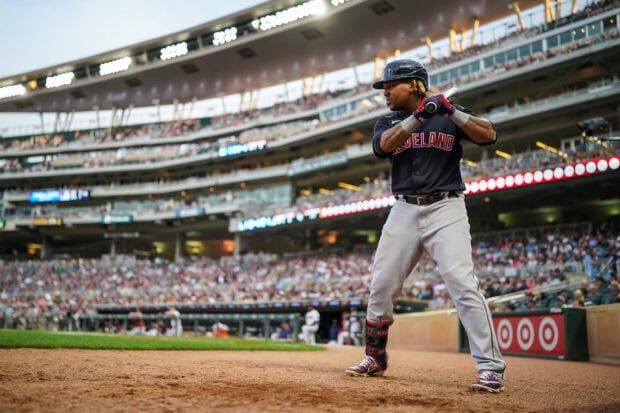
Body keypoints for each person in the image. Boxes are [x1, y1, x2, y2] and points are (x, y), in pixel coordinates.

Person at [344, 59, 507, 393]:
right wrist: (419, 117)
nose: (386, 91)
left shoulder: (449, 113)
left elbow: (489, 134)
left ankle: (491, 367)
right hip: (404, 208)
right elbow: (382, 147)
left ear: (415, 85)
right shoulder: (389, 120)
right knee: (382, 284)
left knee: (462, 282)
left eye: (392, 85)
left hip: (447, 206)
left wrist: (450, 112)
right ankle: (375, 357)